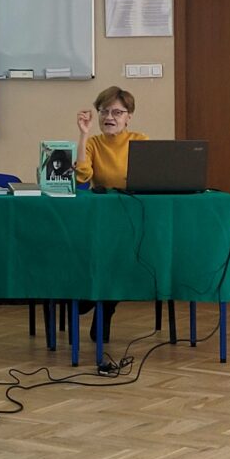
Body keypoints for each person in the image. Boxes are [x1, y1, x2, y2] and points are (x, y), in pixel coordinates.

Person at [75, 85, 149, 341]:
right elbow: (82, 176)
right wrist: (83, 135)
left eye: (117, 112)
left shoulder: (140, 141)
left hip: (132, 215)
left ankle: (102, 307)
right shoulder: (93, 143)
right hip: (103, 217)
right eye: (104, 111)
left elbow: (150, 179)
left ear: (129, 117)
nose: (109, 117)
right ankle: (100, 304)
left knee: (124, 255)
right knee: (108, 254)